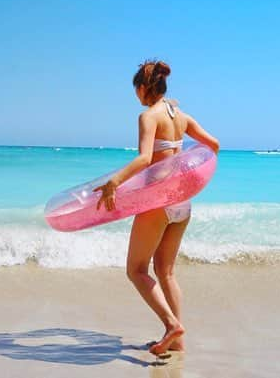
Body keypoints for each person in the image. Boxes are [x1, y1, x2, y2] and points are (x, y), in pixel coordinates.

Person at [94, 60, 219, 356]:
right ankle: (177, 341)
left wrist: (114, 183)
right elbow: (213, 144)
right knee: (166, 271)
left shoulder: (148, 116)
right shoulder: (183, 117)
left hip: (158, 202)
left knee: (136, 270)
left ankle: (172, 325)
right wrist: (186, 166)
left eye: (135, 91)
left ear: (142, 88)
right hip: (182, 202)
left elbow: (144, 158)